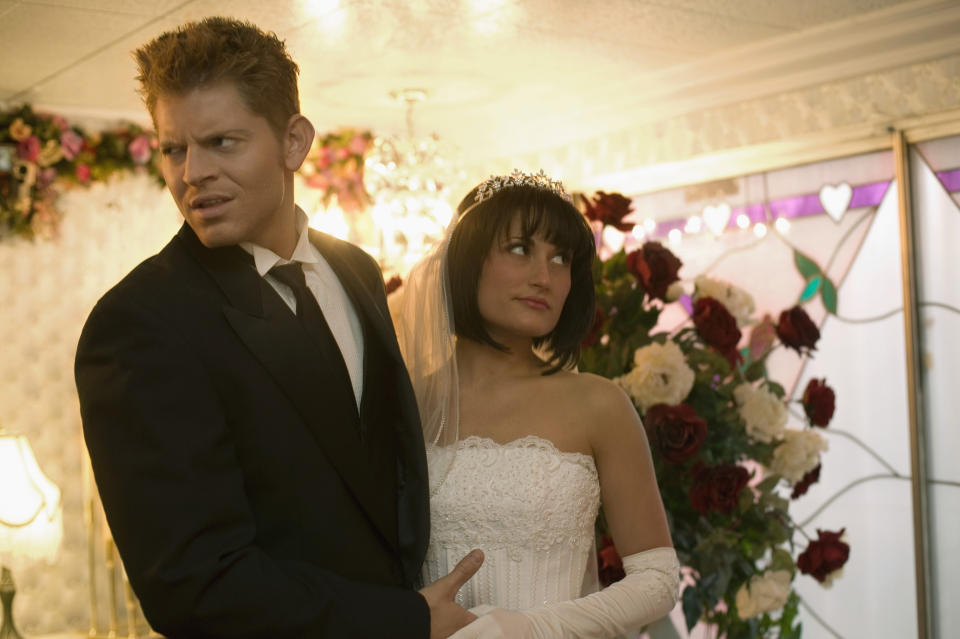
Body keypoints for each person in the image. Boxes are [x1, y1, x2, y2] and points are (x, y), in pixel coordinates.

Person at [75, 16, 481, 639]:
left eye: (222, 142)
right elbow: (194, 585)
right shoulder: (139, 322)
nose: (192, 174)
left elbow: (380, 480)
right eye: (174, 149)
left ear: (293, 142)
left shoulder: (357, 270)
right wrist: (402, 620)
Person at [393, 170, 680, 638]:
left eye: (561, 258)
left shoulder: (599, 403)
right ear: (467, 259)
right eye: (521, 249)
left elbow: (657, 579)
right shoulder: (404, 404)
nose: (544, 277)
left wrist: (530, 629)